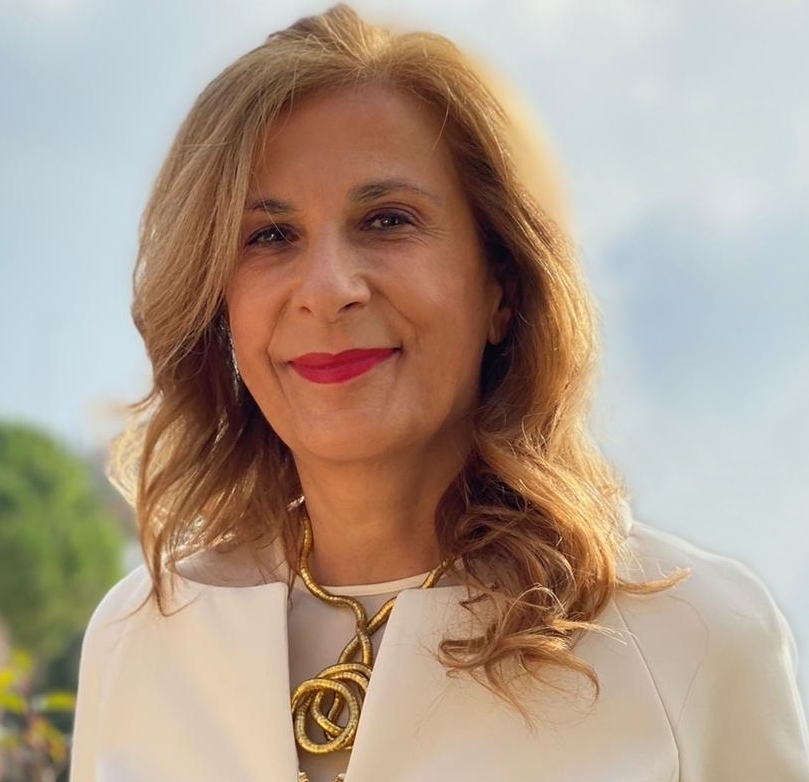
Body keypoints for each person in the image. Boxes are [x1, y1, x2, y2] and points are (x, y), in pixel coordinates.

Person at [69, 5, 809, 781]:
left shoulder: (693, 635)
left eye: (386, 220)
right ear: (218, 301)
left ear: (501, 288)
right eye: (270, 236)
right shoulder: (137, 638)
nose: (327, 290)